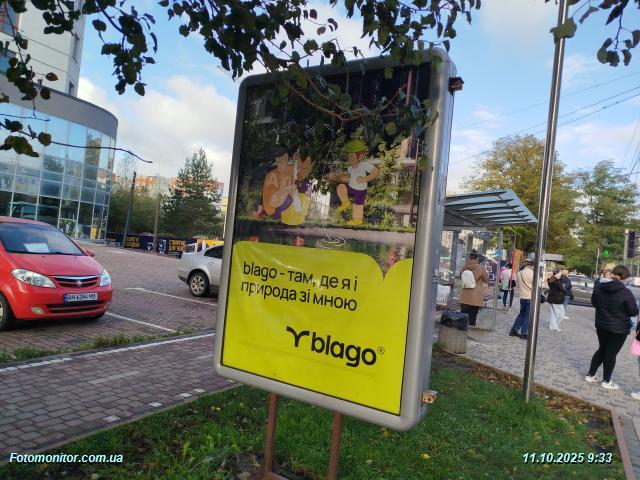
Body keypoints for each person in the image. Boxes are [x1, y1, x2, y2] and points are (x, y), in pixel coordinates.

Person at [585, 264, 639, 390]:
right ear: (624, 277)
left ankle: (590, 375)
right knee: (611, 354)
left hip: (601, 325)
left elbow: (594, 302)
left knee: (602, 349)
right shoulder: (626, 292)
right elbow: (633, 312)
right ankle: (606, 381)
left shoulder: (599, 287)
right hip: (619, 329)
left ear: (613, 274)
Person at [334, 139, 379, 226]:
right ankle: (345, 202)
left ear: (360, 156)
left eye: (351, 156)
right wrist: (344, 179)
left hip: (361, 190)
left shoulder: (364, 165)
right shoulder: (350, 168)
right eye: (348, 156)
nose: (349, 158)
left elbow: (375, 171)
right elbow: (350, 178)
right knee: (341, 187)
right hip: (351, 187)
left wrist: (365, 179)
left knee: (357, 205)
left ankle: (357, 220)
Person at [459, 252, 489, 327]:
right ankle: (471, 329)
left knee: (463, 317)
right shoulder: (480, 268)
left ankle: (462, 329)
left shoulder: (463, 267)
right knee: (472, 317)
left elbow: (461, 278)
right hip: (475, 297)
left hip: (464, 296)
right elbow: (486, 279)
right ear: (477, 258)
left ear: (469, 258)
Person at [510, 257, 535, 339]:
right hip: (530, 297)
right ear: (532, 265)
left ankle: (514, 330)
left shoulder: (519, 273)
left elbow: (517, 285)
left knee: (521, 314)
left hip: (522, 296)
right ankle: (524, 333)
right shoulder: (533, 274)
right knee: (527, 315)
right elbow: (536, 286)